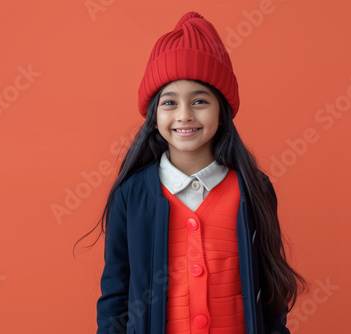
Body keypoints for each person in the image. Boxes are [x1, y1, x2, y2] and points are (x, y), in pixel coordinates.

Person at [75, 11, 306, 334]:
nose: (184, 115)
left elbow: (270, 292)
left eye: (199, 101)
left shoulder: (253, 189)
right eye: (169, 103)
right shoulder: (132, 195)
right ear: (154, 116)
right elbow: (115, 296)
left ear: (222, 112)